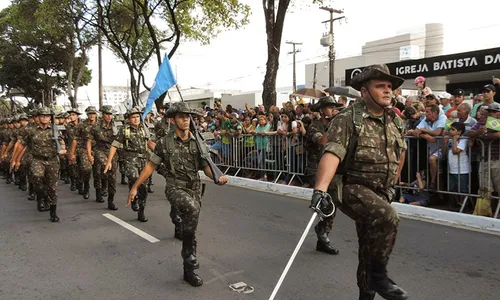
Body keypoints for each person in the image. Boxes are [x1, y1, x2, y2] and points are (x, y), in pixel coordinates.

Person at [312, 65, 409, 300]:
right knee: (387, 217)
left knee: (369, 248)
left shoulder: (395, 121)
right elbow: (332, 153)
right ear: (364, 92)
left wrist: (392, 184)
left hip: (380, 192)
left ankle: (369, 287)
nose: (388, 90)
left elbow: (401, 152)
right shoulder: (348, 118)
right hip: (351, 187)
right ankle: (380, 276)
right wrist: (320, 191)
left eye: (389, 86)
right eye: (380, 86)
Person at [126, 102, 228, 287]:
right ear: (173, 120)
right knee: (191, 209)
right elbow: (151, 165)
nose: (186, 120)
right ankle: (190, 257)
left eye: (188, 117)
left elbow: (205, 166)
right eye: (181, 117)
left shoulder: (197, 141)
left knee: (190, 228)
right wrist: (135, 186)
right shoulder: (165, 142)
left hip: (194, 187)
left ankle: (188, 269)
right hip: (175, 187)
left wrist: (217, 177)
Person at [304, 95, 344, 255]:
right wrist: (335, 123)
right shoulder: (315, 126)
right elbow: (322, 141)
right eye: (329, 107)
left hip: (331, 170)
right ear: (322, 110)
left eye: (334, 106)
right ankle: (322, 231)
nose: (333, 109)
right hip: (315, 170)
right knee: (329, 200)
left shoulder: (335, 124)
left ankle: (323, 234)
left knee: (335, 201)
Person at [105, 107, 154, 221]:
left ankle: (141, 211)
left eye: (137, 117)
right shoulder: (124, 130)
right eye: (133, 117)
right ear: (128, 119)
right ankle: (134, 197)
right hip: (130, 158)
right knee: (134, 177)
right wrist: (109, 161)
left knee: (144, 187)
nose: (136, 119)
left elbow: (150, 143)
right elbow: (114, 145)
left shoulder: (144, 128)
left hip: (144, 159)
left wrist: (159, 154)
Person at [19, 107, 66, 221]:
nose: (45, 118)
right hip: (37, 159)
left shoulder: (54, 129)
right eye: (42, 116)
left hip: (52, 160)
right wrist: (17, 159)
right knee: (37, 178)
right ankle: (41, 197)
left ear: (50, 117)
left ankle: (53, 212)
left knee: (52, 187)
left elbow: (61, 143)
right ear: (38, 117)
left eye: (47, 116)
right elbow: (22, 144)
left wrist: (63, 151)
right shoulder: (32, 130)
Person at [88, 105, 119, 210]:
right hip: (99, 150)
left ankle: (111, 201)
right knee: (100, 170)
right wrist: (89, 154)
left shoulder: (115, 126)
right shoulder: (96, 126)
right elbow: (89, 141)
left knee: (112, 176)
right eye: (107, 114)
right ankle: (98, 192)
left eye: (111, 114)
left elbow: (119, 141)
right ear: (103, 114)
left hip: (112, 151)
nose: (109, 116)